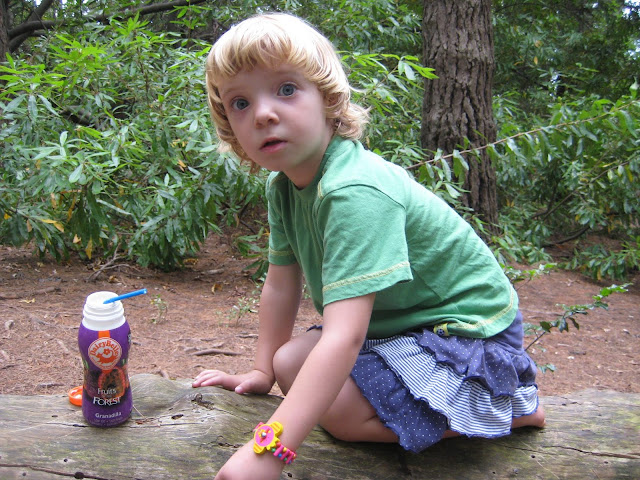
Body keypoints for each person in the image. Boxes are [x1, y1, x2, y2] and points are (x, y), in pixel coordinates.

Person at [192, 12, 545, 480]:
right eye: (240, 102)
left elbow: (345, 336)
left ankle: (506, 410)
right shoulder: (284, 188)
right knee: (287, 363)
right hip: (399, 328)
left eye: (286, 89)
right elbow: (280, 286)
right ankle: (462, 410)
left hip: (467, 335)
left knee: (340, 414)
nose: (263, 114)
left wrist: (269, 451)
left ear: (328, 98)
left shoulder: (353, 190)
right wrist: (261, 372)